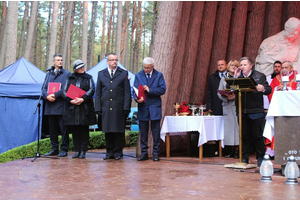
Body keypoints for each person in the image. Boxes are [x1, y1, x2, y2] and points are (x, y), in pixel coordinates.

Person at [235, 57, 272, 167]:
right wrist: (235, 78)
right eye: (241, 65)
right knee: (244, 136)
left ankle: (260, 157)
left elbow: (268, 89)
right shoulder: (238, 76)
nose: (242, 67)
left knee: (257, 136)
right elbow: (231, 88)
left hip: (255, 110)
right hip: (242, 110)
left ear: (251, 66)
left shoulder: (259, 76)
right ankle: (245, 158)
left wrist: (262, 88)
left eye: (245, 65)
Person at [94, 53, 131, 160]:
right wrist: (98, 107)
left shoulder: (123, 73)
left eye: (116, 60)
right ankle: (109, 152)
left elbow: (127, 93)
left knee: (118, 131)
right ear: (107, 62)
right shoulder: (101, 74)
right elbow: (98, 93)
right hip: (106, 107)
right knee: (108, 131)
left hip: (119, 107)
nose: (114, 62)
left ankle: (118, 152)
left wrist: (126, 107)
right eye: (112, 60)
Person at [133, 57, 166, 162]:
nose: (146, 69)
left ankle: (156, 153)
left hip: (155, 107)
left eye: (148, 68)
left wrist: (150, 90)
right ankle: (144, 153)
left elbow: (162, 89)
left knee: (155, 132)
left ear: (153, 67)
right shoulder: (138, 75)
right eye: (144, 67)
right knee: (143, 132)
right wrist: (137, 98)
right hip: (143, 107)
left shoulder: (159, 75)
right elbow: (133, 90)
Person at [63, 60, 95, 159]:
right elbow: (64, 91)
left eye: (83, 66)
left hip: (84, 107)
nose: (82, 68)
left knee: (84, 129)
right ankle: (77, 150)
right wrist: (70, 100)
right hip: (72, 108)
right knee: (74, 129)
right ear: (75, 68)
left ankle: (83, 151)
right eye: (80, 67)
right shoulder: (69, 78)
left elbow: (92, 89)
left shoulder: (88, 77)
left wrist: (83, 99)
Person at [43, 53, 71, 157]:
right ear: (53, 62)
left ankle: (64, 149)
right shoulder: (48, 74)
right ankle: (54, 148)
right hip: (50, 107)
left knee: (63, 129)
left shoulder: (67, 74)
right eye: (58, 60)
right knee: (52, 129)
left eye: (61, 60)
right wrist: (46, 96)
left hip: (61, 106)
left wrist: (54, 95)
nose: (60, 62)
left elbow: (65, 88)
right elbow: (43, 88)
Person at [217, 60, 239, 159]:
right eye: (231, 65)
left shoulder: (240, 78)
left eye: (235, 66)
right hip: (227, 104)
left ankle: (237, 150)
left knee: (237, 128)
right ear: (228, 67)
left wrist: (236, 96)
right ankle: (229, 149)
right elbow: (219, 92)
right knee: (229, 129)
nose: (233, 67)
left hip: (237, 105)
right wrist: (226, 97)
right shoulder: (223, 78)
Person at [263, 60, 282, 158]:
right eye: (275, 66)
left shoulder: (292, 79)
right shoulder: (271, 79)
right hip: (273, 107)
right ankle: (271, 151)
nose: (277, 68)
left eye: (279, 66)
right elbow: (268, 92)